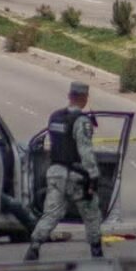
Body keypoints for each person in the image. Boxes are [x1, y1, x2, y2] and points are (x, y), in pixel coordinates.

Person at [25, 82, 104, 261]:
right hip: (76, 176)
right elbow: (85, 151)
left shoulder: (55, 118)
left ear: (69, 96)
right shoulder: (82, 122)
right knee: (91, 212)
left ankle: (34, 246)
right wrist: (93, 176)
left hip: (55, 173)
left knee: (51, 213)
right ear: (84, 98)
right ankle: (96, 249)